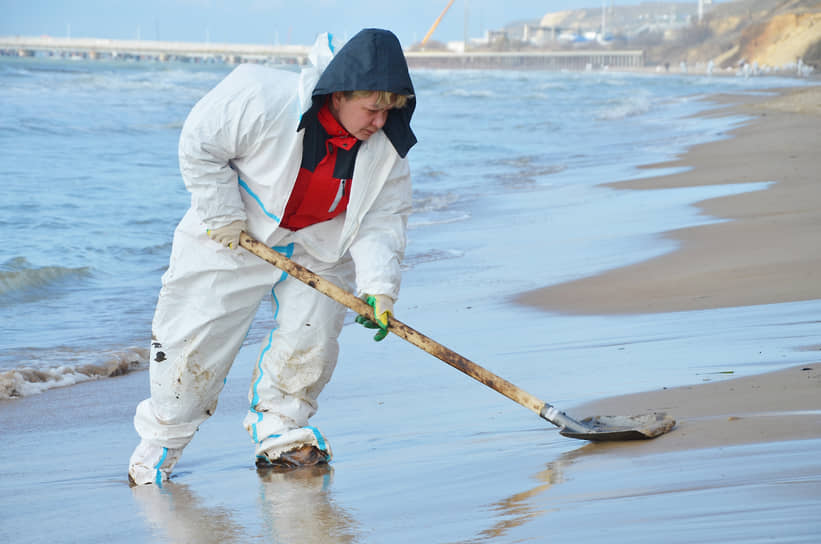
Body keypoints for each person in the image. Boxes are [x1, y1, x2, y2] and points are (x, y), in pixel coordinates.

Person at [128, 28, 416, 486]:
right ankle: (160, 445)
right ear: (339, 94)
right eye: (373, 109)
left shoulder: (388, 147)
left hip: (322, 244)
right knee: (191, 342)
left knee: (313, 341)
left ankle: (279, 429)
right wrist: (222, 215)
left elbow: (383, 218)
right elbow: (200, 144)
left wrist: (380, 288)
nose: (380, 122)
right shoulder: (261, 97)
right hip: (235, 233)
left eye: (390, 111)